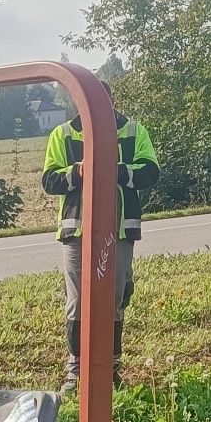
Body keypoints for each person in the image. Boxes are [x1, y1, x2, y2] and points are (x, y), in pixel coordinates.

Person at [41, 84, 159, 389]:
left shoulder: (133, 131)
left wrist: (118, 170)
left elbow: (150, 172)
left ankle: (111, 370)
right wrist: (77, 172)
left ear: (111, 100)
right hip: (77, 231)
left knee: (115, 300)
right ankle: (76, 372)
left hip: (119, 230)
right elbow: (50, 180)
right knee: (78, 301)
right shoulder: (63, 135)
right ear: (79, 102)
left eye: (101, 100)